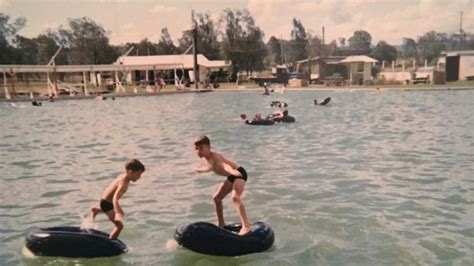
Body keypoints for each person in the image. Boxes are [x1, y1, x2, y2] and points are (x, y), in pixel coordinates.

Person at [194, 136, 251, 235]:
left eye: (201, 148)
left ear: (208, 147)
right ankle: (221, 224)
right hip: (231, 176)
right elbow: (211, 167)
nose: (199, 151)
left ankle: (246, 226)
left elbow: (224, 165)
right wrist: (201, 170)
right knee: (216, 198)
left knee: (235, 198)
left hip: (238, 173)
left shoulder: (216, 156)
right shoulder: (208, 159)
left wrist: (233, 172)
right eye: (196, 149)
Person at [90, 159, 145, 239]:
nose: (139, 177)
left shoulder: (123, 176)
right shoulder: (123, 183)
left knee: (109, 210)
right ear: (130, 172)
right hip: (107, 204)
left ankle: (97, 210)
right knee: (119, 226)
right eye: (139, 174)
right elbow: (115, 198)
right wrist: (118, 211)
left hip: (105, 201)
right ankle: (110, 243)